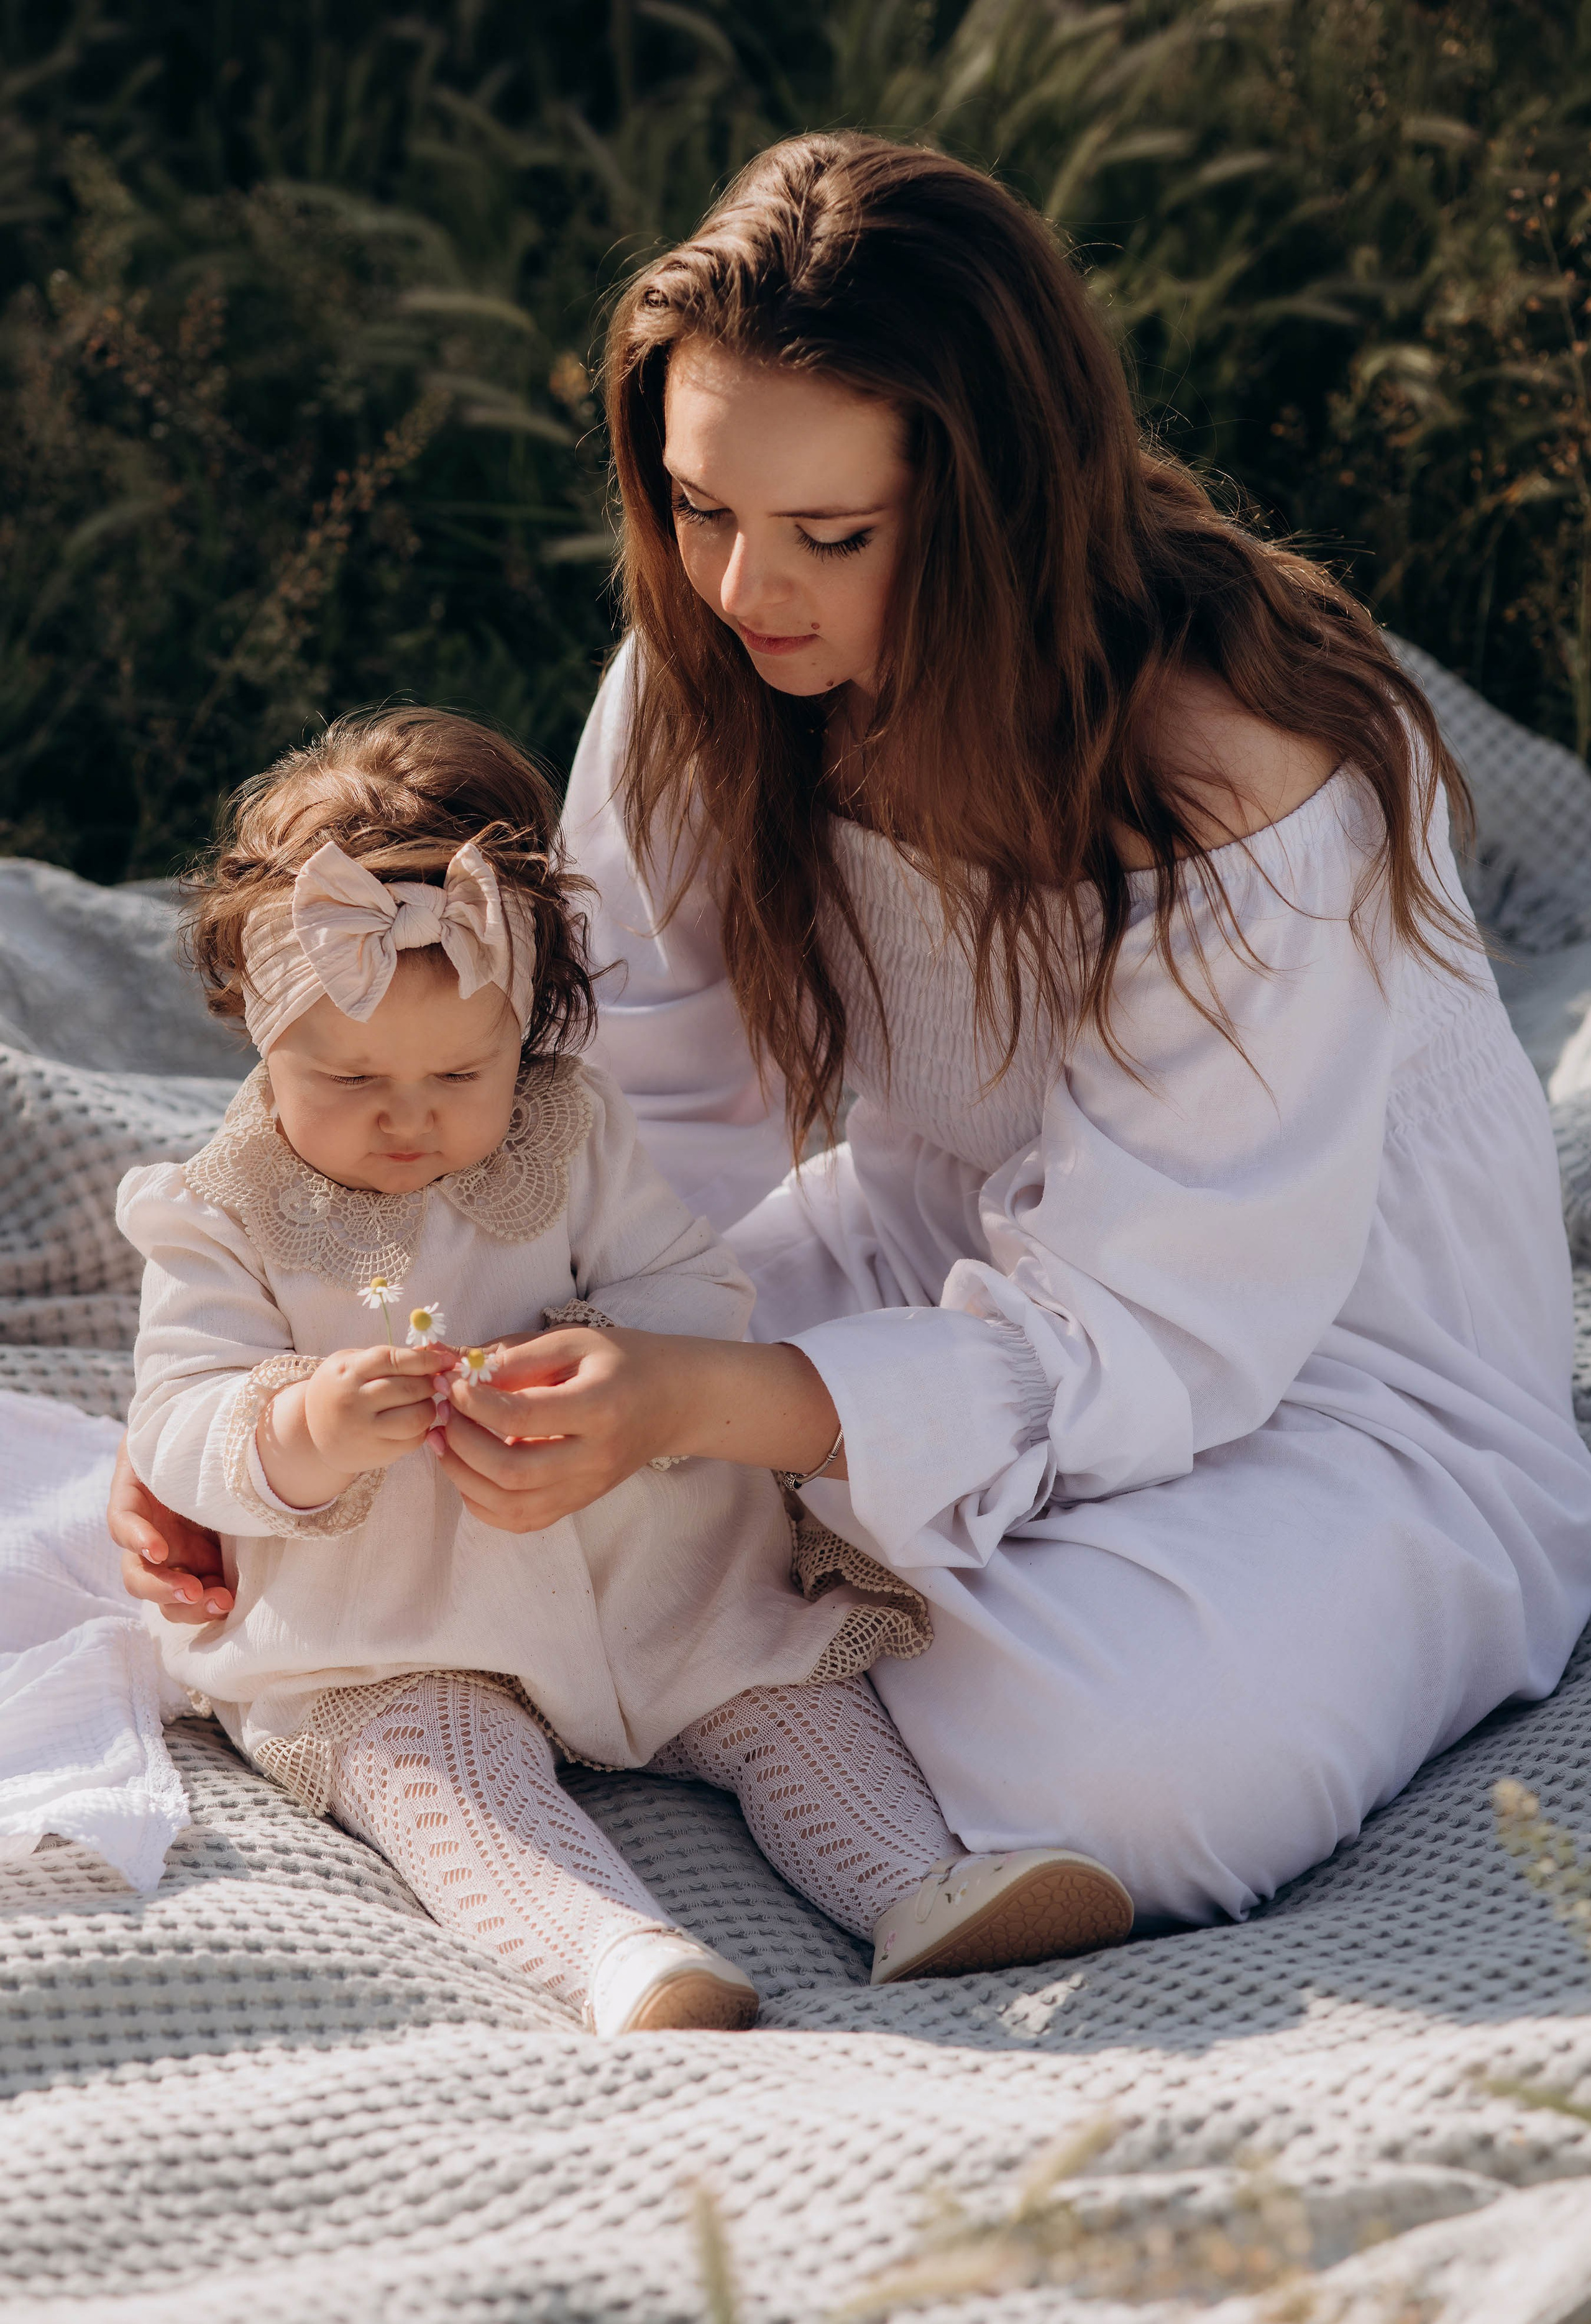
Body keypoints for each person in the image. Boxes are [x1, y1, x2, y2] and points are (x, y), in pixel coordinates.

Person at [121, 130, 1591, 1931]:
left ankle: (687, 1623)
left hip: (1321, 1372)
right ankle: (668, 1615)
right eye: (699, 504)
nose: (748, 591)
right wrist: (266, 1437)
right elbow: (614, 1123)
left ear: (999, 508)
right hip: (917, 1261)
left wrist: (698, 1409)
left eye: (832, 533)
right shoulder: (719, 668)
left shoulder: (1235, 783)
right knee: (384, 1488)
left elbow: (1158, 1320)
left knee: (1124, 1770)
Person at [113, 707, 1133, 2035]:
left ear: (528, 1024)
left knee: (783, 1686)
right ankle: (609, 1949)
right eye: (350, 1073)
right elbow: (177, 1416)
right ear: (256, 1025)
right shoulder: (218, 1210)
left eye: (458, 1070)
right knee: (440, 1767)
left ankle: (919, 1881)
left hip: (634, 1554)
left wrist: (624, 1363)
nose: (407, 1116)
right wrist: (301, 1426)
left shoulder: (573, 1132)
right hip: (395, 1609)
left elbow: (687, 1281)